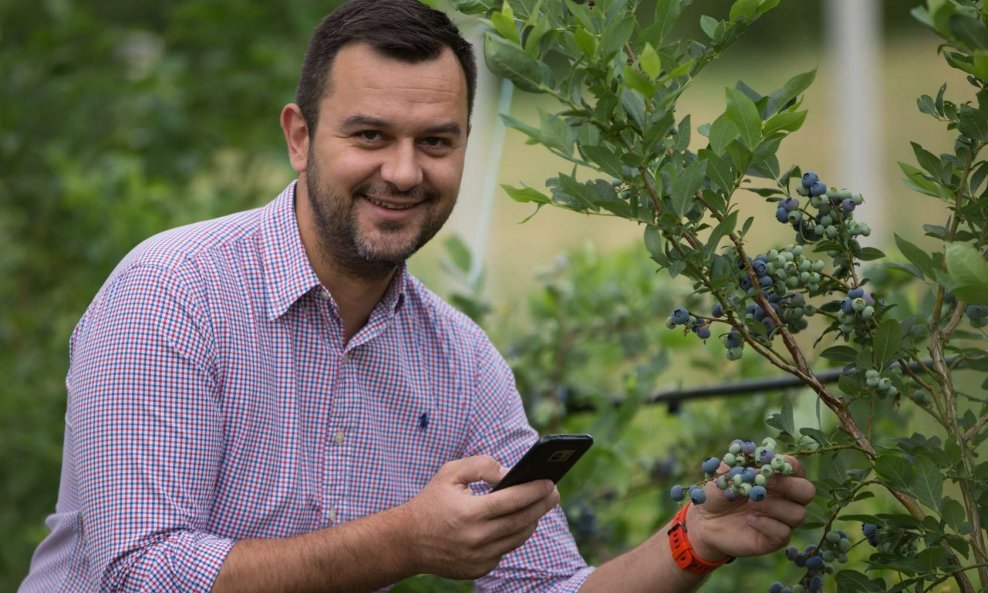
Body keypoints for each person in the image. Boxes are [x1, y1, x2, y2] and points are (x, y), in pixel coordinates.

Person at [19, 0, 816, 591]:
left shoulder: (457, 357)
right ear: (299, 136)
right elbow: (142, 572)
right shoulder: (169, 295)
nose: (404, 172)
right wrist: (406, 540)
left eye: (435, 142)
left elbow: (544, 587)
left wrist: (695, 540)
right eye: (370, 136)